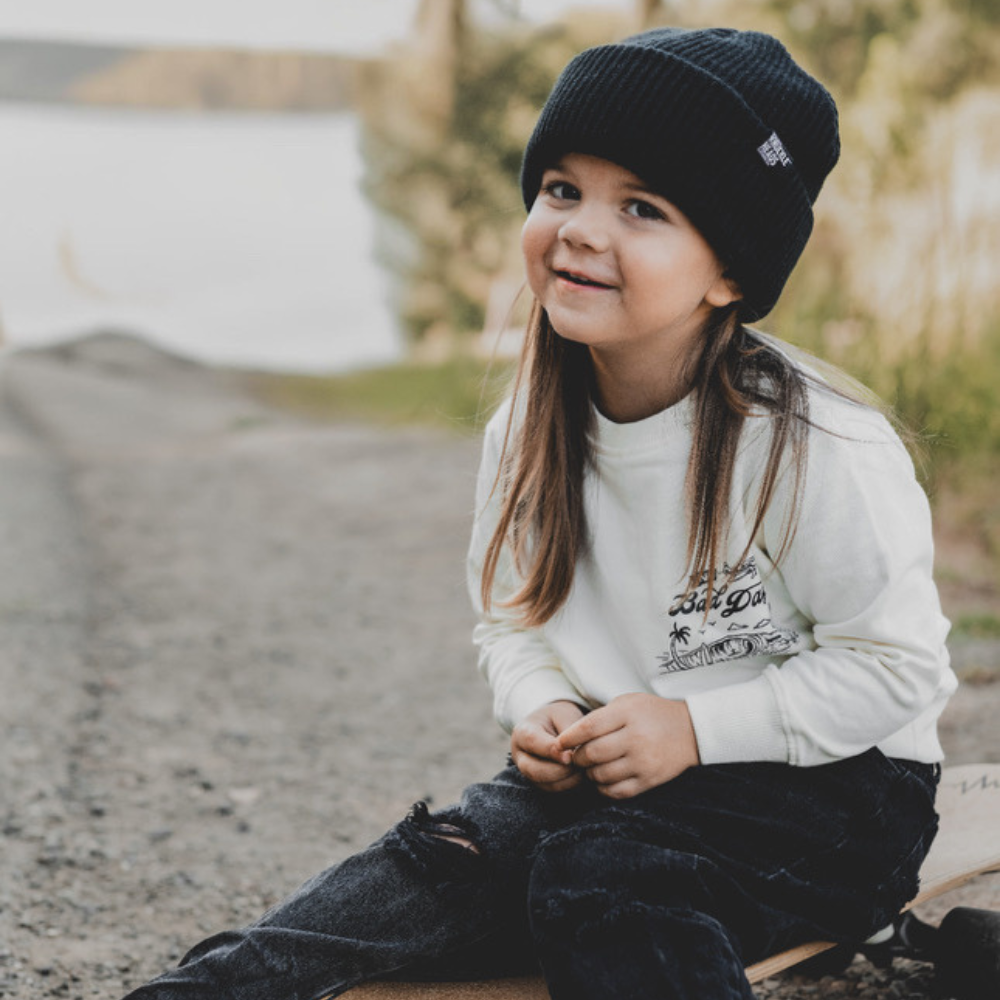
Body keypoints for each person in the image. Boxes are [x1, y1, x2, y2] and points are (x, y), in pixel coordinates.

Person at [122, 26, 957, 1000]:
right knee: (455, 850)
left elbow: (897, 669)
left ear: (729, 273)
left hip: (835, 796)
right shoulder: (530, 429)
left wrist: (694, 728)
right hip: (628, 781)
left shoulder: (812, 447)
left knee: (601, 871)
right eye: (562, 188)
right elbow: (512, 621)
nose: (580, 230)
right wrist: (540, 707)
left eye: (641, 207)